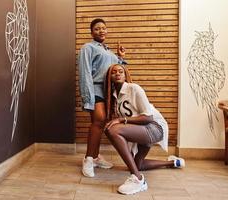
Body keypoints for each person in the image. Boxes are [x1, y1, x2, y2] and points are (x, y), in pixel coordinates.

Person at [104, 64, 185, 195]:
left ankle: (138, 179)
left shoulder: (133, 88)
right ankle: (172, 162)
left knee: (112, 129)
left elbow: (148, 117)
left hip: (154, 127)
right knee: (138, 164)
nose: (117, 74)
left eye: (120, 71)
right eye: (114, 72)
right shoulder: (115, 96)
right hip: (141, 130)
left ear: (125, 75)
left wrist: (121, 120)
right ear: (110, 77)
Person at [78, 18, 126, 177]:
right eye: (97, 28)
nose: (101, 31)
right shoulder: (88, 47)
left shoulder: (110, 52)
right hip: (95, 88)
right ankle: (88, 159)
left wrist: (120, 57)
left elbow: (116, 70)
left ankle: (96, 157)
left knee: (103, 122)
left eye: (104, 28)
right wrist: (87, 97)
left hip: (108, 91)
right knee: (98, 121)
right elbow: (85, 72)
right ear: (92, 32)